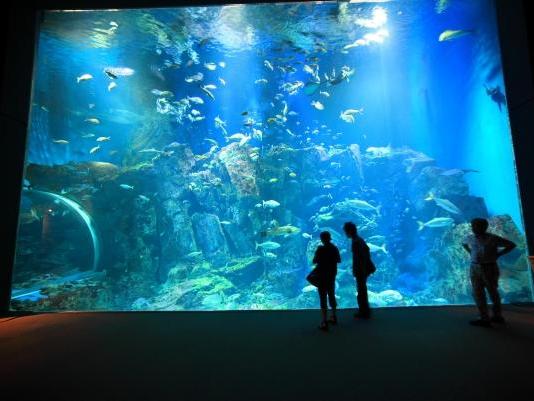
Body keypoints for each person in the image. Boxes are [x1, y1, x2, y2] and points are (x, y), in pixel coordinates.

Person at [462, 217, 516, 327]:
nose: (473, 228)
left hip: (489, 267)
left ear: (483, 227)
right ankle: (483, 317)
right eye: (472, 226)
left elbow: (511, 245)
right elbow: (464, 243)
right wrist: (471, 253)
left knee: (492, 291)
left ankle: (497, 316)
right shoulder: (470, 237)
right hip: (474, 267)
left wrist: (499, 254)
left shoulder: (492, 238)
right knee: (477, 292)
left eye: (475, 226)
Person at [343, 222, 374, 319]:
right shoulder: (359, 239)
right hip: (363, 269)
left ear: (349, 231)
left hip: (361, 270)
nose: (345, 234)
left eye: (345, 231)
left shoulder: (356, 242)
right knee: (362, 290)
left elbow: (360, 258)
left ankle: (363, 312)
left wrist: (359, 270)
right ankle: (365, 310)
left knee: (361, 291)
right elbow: (367, 252)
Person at [312, 231, 341, 331]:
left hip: (322, 276)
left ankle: (324, 321)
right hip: (331, 275)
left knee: (323, 297)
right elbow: (339, 260)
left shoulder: (320, 249)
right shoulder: (334, 248)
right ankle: (333, 316)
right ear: (330, 238)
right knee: (332, 295)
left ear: (321, 239)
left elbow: (314, 261)